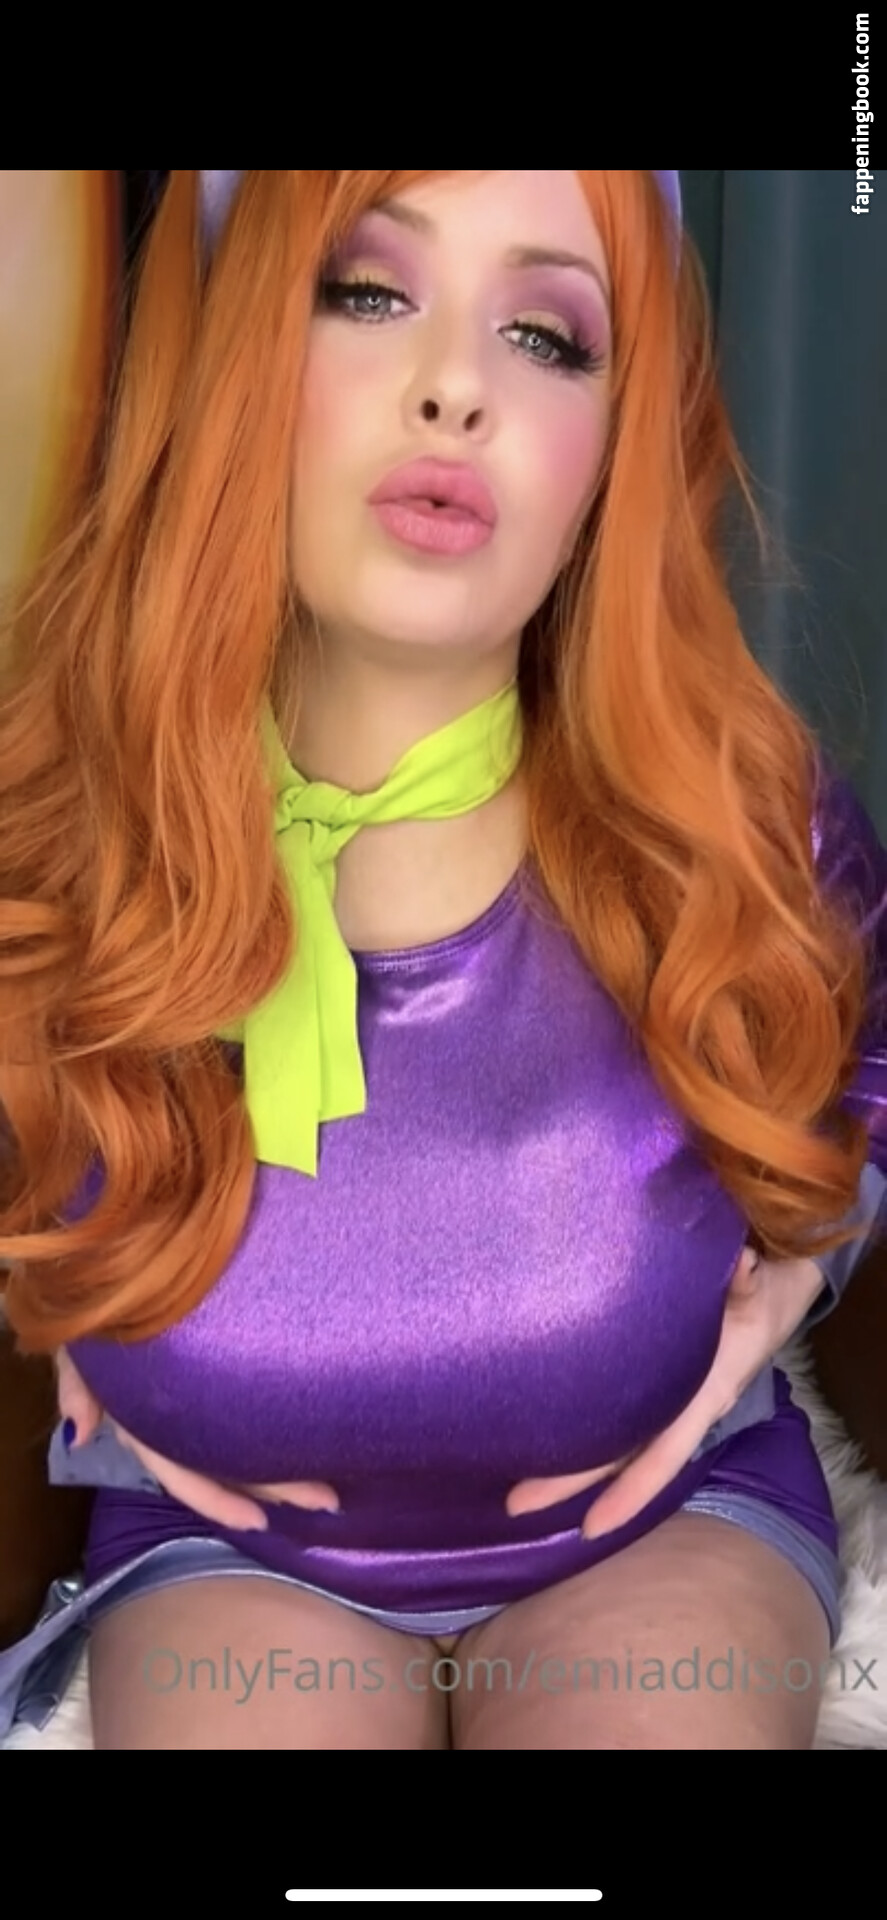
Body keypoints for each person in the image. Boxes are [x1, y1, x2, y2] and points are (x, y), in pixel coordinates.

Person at [1, 169, 886, 1752]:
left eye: (548, 336)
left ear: (614, 448)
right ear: (228, 359)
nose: (454, 387)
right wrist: (38, 1287)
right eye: (367, 292)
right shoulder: (56, 814)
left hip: (659, 1525)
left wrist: (810, 1263)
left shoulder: (727, 812)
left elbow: (874, 1040)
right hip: (226, 1553)